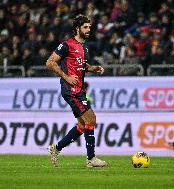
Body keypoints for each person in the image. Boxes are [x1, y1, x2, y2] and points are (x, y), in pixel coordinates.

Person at [46, 15, 108, 168]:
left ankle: (56, 148)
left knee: (82, 124)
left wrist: (94, 68)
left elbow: (82, 65)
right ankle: (91, 159)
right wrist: (66, 76)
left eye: (89, 27)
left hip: (79, 89)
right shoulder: (66, 45)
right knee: (91, 119)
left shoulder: (84, 47)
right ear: (77, 28)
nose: (88, 30)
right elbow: (50, 62)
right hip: (71, 89)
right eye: (85, 27)